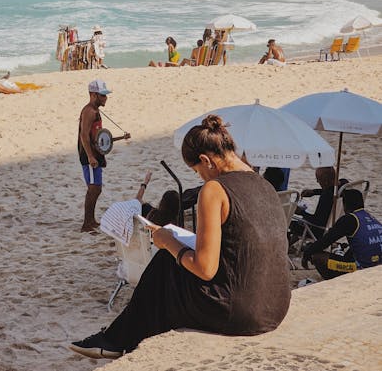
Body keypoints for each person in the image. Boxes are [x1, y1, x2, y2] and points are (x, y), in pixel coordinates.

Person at [70, 115, 291, 359]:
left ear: (206, 160)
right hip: (276, 306)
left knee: (166, 263)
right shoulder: (264, 185)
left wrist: (170, 242)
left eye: (197, 170)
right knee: (173, 274)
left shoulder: (215, 189)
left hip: (241, 313)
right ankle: (120, 337)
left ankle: (116, 340)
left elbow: (205, 269)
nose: (200, 177)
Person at [302, 189, 382, 279]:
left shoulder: (349, 219)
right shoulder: (370, 218)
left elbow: (324, 242)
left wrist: (307, 253)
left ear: (345, 204)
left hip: (361, 269)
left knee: (317, 257)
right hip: (377, 267)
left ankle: (333, 281)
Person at [78, 79, 113, 232]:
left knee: (96, 188)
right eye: (102, 95)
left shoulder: (96, 111)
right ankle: (87, 224)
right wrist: (91, 157)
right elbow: (84, 136)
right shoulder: (89, 112)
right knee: (94, 189)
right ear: (93, 95)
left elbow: (97, 137)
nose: (105, 98)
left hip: (96, 154)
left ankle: (91, 220)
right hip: (89, 156)